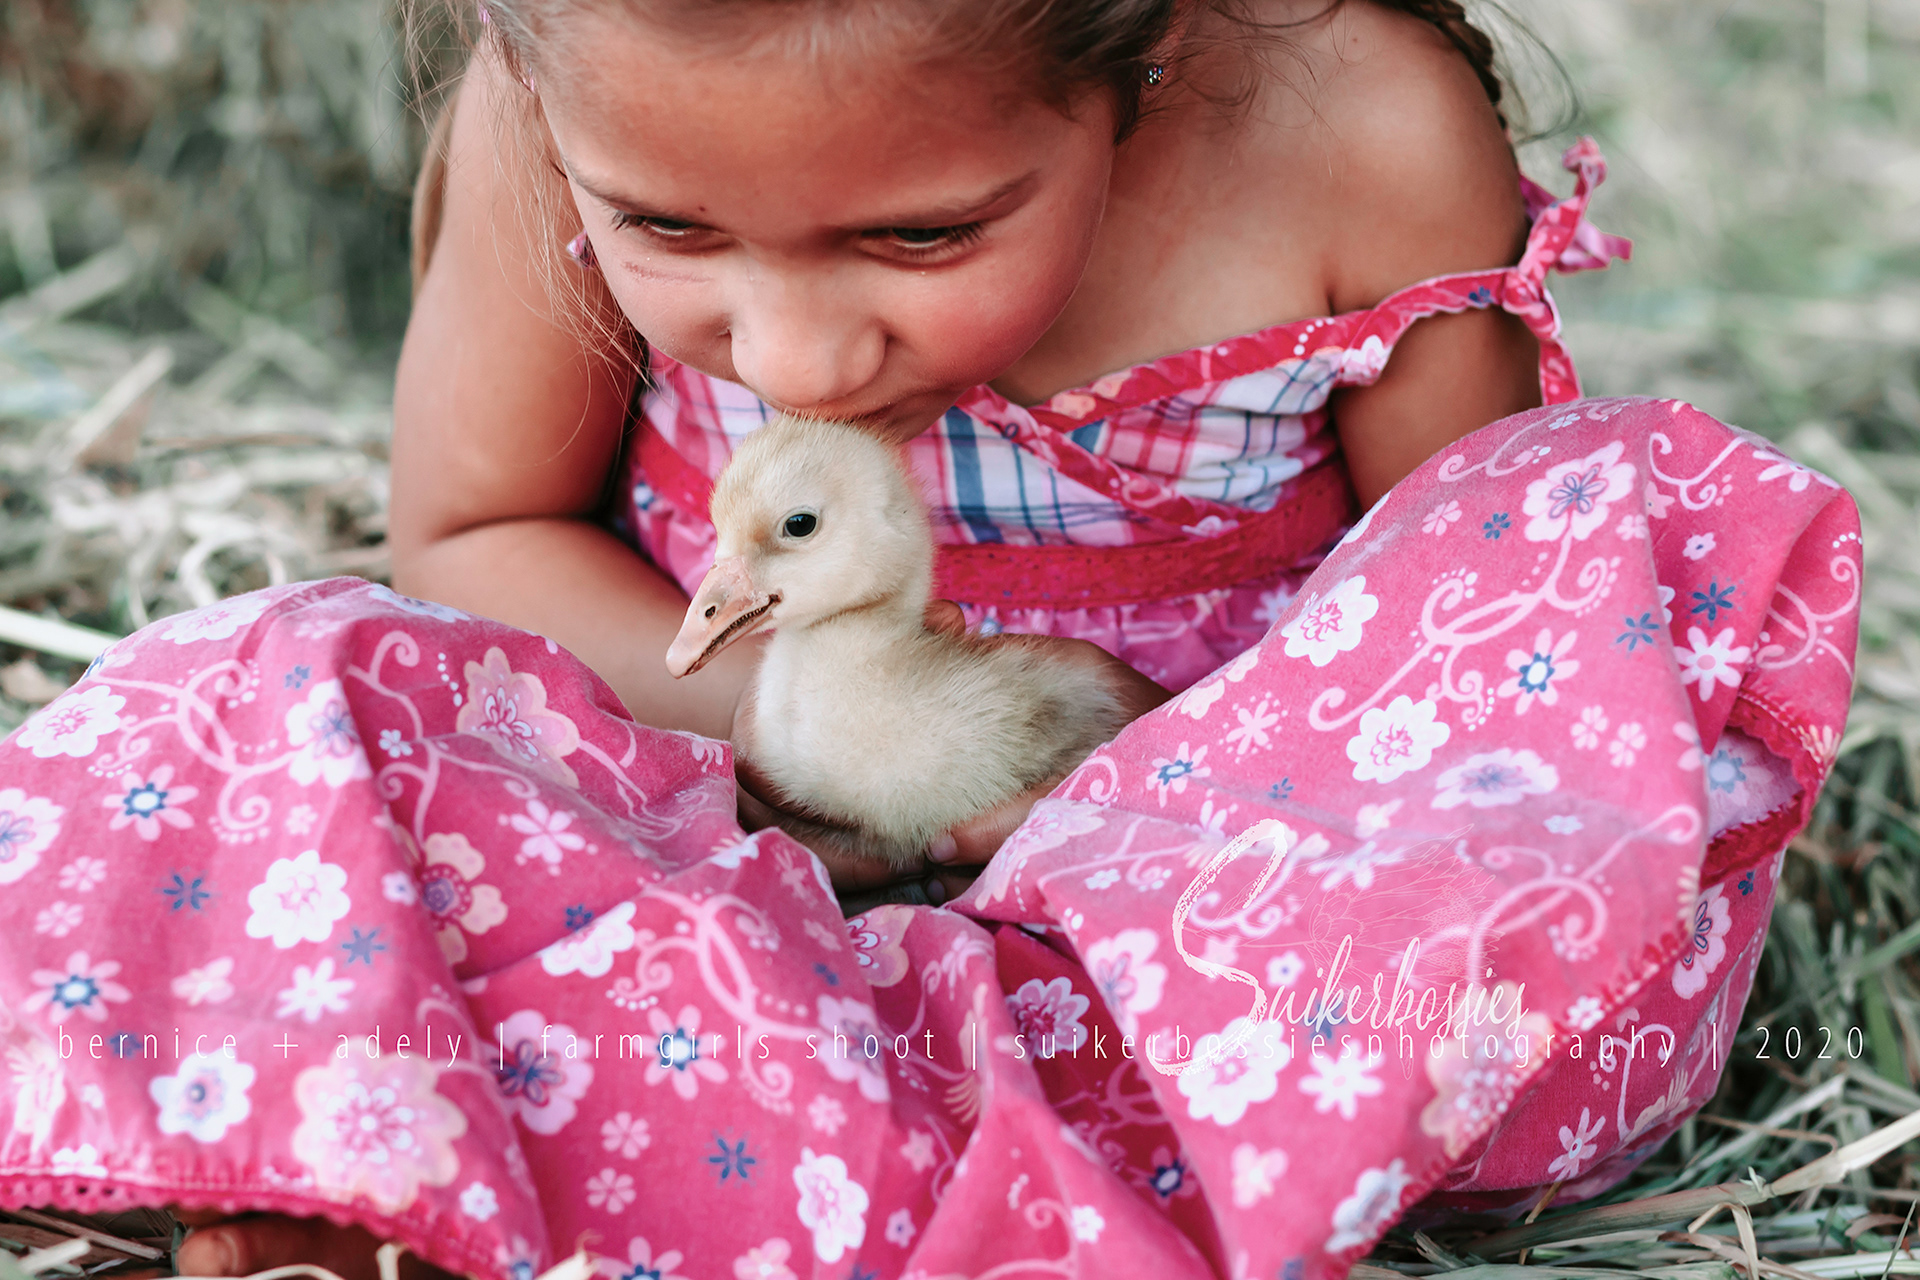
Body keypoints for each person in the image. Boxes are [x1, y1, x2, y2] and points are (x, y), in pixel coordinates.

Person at [0, 1, 1860, 1278]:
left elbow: (1473, 636)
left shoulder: (1348, 129)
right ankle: (395, 1127)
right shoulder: (560, 76)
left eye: (923, 235)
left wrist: (1129, 826)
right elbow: (476, 536)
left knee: (1524, 867)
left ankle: (658, 1139)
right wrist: (824, 746)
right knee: (255, 696)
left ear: (1134, 50)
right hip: (716, 828)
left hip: (1194, 906)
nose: (798, 365)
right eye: (668, 228)